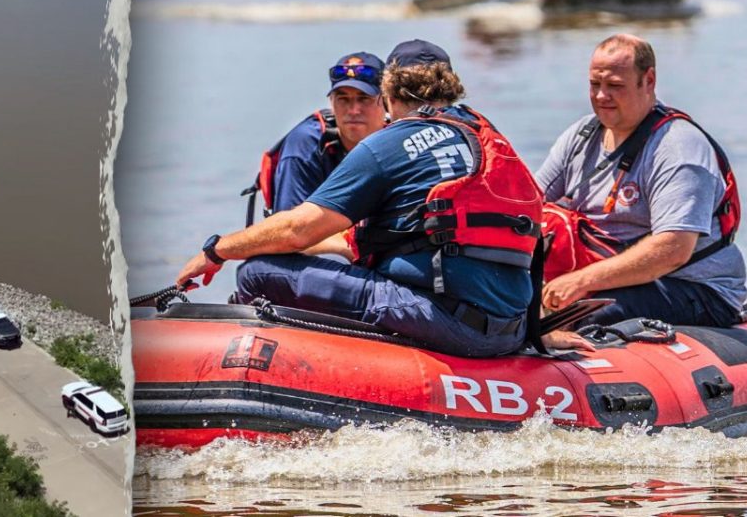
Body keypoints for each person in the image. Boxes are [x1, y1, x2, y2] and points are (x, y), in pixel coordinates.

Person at [177, 40, 550, 358]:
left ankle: (270, 362)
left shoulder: (390, 142)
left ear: (387, 97)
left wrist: (218, 250)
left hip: (445, 321)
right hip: (511, 329)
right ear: (452, 90)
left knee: (258, 273)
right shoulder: (487, 138)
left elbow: (298, 228)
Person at [535, 34, 746, 329]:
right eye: (595, 85)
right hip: (606, 276)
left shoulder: (678, 147)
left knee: (579, 320)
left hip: (692, 286)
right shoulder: (581, 136)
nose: (601, 96)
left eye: (615, 86)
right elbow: (528, 205)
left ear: (648, 80)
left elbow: (673, 250)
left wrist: (581, 280)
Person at [243, 52, 389, 225]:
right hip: (323, 246)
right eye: (343, 99)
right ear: (331, 102)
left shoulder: (400, 139)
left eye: (364, 99)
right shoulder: (305, 145)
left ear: (387, 101)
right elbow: (287, 230)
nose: (353, 110)